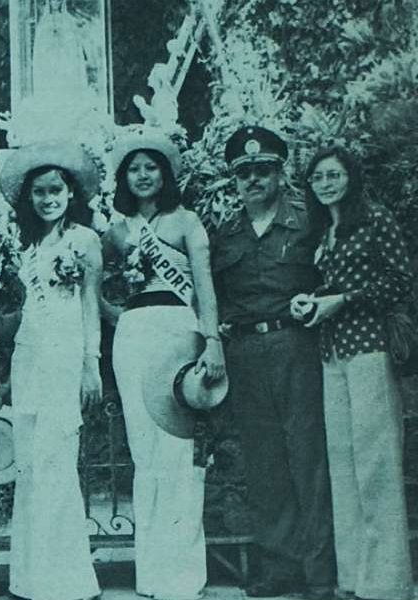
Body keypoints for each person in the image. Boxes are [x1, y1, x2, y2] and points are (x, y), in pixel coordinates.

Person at [211, 126, 335, 598]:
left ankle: (319, 572)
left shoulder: (309, 222)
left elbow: (333, 272)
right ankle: (280, 566)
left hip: (296, 347)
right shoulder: (226, 232)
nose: (253, 180)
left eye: (263, 169)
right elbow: (218, 296)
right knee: (264, 465)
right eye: (244, 173)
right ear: (234, 180)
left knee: (308, 459)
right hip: (245, 354)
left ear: (280, 173)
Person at [101, 132, 224, 600]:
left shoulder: (186, 221)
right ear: (124, 178)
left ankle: (182, 575)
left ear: (165, 173)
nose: (143, 175)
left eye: (151, 167)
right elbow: (92, 279)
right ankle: (151, 575)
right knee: (144, 454)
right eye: (134, 169)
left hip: (179, 332)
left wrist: (211, 342)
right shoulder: (116, 230)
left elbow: (205, 288)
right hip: (134, 337)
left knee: (179, 449)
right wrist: (115, 313)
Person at [290, 146, 413, 600]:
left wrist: (342, 301)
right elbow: (333, 286)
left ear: (351, 177)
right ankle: (354, 578)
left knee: (376, 463)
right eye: (318, 177)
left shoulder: (375, 219)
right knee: (343, 465)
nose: (326, 183)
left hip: (370, 349)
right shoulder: (325, 230)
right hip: (331, 352)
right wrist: (312, 301)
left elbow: (400, 280)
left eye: (334, 175)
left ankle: (387, 581)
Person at [0, 141, 102, 600]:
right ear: (29, 198)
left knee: (57, 459)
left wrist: (90, 365)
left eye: (55, 190)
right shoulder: (30, 244)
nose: (48, 200)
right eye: (39, 192)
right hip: (29, 358)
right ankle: (31, 577)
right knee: (31, 463)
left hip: (65, 356)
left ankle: (66, 579)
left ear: (70, 193)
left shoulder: (84, 240)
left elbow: (90, 307)